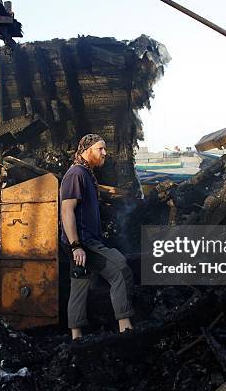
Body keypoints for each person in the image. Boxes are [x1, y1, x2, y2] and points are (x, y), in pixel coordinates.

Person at [60, 133, 134, 340]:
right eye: (100, 149)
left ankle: (76, 337)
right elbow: (67, 211)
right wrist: (76, 246)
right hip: (83, 242)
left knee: (79, 283)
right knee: (120, 269)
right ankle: (126, 329)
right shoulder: (76, 174)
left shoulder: (85, 173)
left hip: (81, 242)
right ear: (87, 150)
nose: (105, 153)